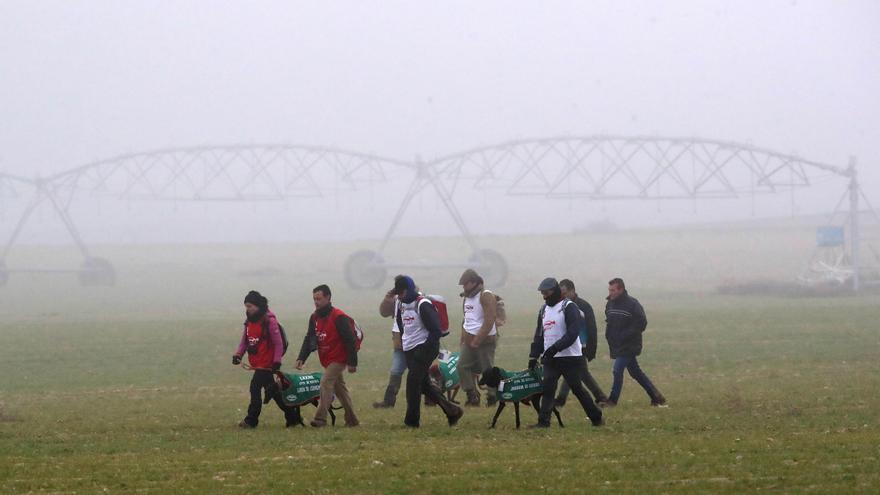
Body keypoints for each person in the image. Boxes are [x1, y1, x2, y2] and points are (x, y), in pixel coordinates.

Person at [528, 277, 603, 428]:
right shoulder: (543, 310)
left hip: (571, 358)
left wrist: (555, 348)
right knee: (548, 389)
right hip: (551, 359)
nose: (544, 296)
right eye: (542, 293)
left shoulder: (569, 307)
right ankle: (543, 422)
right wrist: (533, 356)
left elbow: (572, 333)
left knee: (577, 389)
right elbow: (539, 335)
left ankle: (596, 417)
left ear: (555, 291)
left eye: (547, 292)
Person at [393, 274, 463, 428]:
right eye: (397, 293)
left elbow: (436, 330)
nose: (399, 295)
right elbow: (400, 323)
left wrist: (424, 348)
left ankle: (411, 422)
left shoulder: (423, 304)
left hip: (425, 348)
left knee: (412, 383)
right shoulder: (400, 304)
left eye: (401, 292)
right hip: (410, 349)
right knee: (424, 384)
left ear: (409, 289)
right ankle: (453, 411)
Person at [232, 290, 302, 428]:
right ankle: (292, 416)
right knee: (273, 392)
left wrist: (277, 361)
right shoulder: (249, 322)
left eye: (250, 306)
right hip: (257, 363)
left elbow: (278, 343)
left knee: (255, 388)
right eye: (246, 307)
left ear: (258, 305)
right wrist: (238, 355)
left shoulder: (269, 321)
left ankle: (251, 420)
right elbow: (244, 341)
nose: (248, 310)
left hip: (267, 364)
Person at [294, 284, 360, 427]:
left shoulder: (338, 317)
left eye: (319, 298)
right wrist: (301, 358)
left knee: (325, 383)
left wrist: (352, 362)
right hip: (327, 358)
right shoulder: (314, 317)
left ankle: (320, 419)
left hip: (339, 357)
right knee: (340, 389)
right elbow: (309, 337)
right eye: (314, 299)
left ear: (328, 297)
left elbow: (350, 340)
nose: (316, 302)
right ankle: (352, 420)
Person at [604, 277, 667, 407]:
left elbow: (642, 323)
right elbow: (609, 322)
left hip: (629, 345)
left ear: (621, 289)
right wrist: (609, 336)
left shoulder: (633, 304)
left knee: (617, 370)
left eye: (613, 290)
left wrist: (625, 335)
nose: (610, 293)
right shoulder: (609, 304)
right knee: (635, 372)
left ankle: (612, 401)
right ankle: (657, 397)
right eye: (609, 290)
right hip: (617, 345)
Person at [554, 279, 609, 407]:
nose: (563, 295)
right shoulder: (560, 306)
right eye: (560, 293)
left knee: (577, 372)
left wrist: (591, 349)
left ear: (572, 291)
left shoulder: (584, 306)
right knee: (578, 373)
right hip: (568, 346)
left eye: (565, 292)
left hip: (581, 346)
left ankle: (561, 400)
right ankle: (601, 397)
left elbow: (592, 328)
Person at [457, 269, 499, 407]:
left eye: (466, 284)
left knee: (487, 370)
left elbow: (489, 319)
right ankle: (472, 395)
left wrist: (478, 339)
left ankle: (492, 396)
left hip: (485, 341)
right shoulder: (467, 297)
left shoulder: (486, 295)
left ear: (474, 283)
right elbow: (467, 319)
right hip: (469, 340)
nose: (464, 287)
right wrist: (464, 337)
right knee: (462, 366)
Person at [373, 289, 406, 408]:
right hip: (399, 343)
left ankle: (433, 399)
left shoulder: (417, 299)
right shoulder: (397, 299)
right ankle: (389, 401)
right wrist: (388, 298)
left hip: (415, 342)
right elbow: (384, 312)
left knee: (421, 374)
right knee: (396, 371)